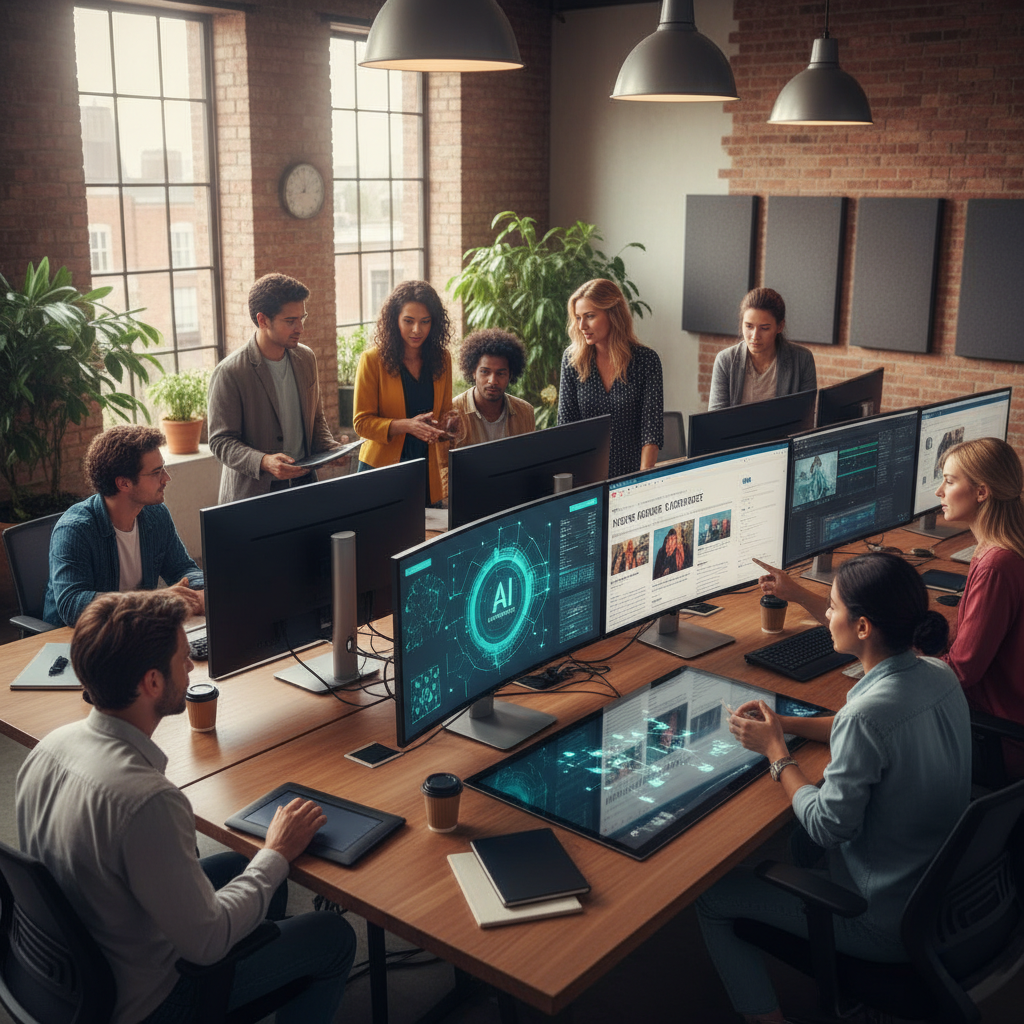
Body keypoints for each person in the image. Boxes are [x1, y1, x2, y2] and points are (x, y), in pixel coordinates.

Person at [16, 590, 356, 1024]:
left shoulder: (47, 748)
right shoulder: (146, 801)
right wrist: (276, 853)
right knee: (332, 935)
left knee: (242, 866)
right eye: (182, 658)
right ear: (152, 682)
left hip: (69, 974)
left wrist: (263, 866)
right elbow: (207, 943)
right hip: (151, 1002)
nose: (191, 666)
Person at [697, 553, 970, 1024]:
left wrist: (776, 753)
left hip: (881, 922)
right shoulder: (937, 673)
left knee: (712, 897)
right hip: (937, 894)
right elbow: (859, 725)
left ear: (862, 627)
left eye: (833, 606)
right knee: (793, 842)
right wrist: (784, 723)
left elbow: (827, 826)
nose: (825, 614)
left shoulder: (869, 715)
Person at [42, 425, 204, 628]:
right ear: (124, 484)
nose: (166, 478)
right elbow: (72, 605)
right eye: (156, 472)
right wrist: (153, 600)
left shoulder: (156, 514)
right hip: (77, 641)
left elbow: (182, 568)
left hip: (133, 629)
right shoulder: (75, 530)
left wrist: (204, 593)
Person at [208, 273, 347, 504]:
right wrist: (264, 461)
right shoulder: (230, 372)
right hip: (254, 495)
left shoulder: (306, 358)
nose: (300, 328)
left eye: (302, 318)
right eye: (290, 321)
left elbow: (316, 419)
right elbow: (221, 441)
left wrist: (330, 448)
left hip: (305, 487)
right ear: (263, 320)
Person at [935, 437, 1024, 767]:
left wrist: (893, 658)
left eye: (949, 480)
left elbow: (960, 672)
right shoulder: (1004, 547)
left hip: (997, 734)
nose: (939, 492)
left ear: (982, 492)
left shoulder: (996, 566)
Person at [353, 280, 453, 506]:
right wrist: (407, 425)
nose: (417, 330)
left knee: (428, 539)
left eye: (425, 322)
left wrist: (449, 424)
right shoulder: (372, 360)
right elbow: (361, 423)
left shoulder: (442, 359)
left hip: (427, 470)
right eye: (408, 321)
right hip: (380, 471)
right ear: (394, 321)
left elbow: (446, 413)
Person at [558, 278, 663, 479]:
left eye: (589, 316)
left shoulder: (646, 361)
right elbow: (566, 428)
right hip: (586, 478)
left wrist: (641, 482)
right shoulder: (572, 361)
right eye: (578, 318)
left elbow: (651, 431)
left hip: (633, 475)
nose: (582, 326)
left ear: (613, 315)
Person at [708, 287, 816, 411]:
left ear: (780, 326)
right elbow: (716, 420)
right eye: (749, 326)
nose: (754, 336)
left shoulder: (802, 360)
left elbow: (806, 417)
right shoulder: (725, 361)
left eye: (764, 328)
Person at [449, 328, 535, 448]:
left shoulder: (525, 412)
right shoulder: (452, 412)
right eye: (485, 372)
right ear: (473, 372)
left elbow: (530, 459)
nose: (492, 381)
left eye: (500, 373)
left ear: (510, 375)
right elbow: (444, 464)